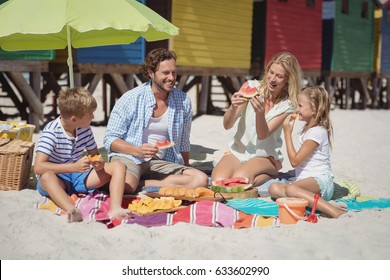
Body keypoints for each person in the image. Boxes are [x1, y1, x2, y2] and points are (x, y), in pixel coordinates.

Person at [103, 48, 208, 194]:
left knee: (200, 179)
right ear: (151, 73)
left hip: (160, 162)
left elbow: (184, 142)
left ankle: (139, 184)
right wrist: (137, 150)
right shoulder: (131, 98)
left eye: (174, 72)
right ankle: (133, 183)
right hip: (129, 156)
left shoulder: (183, 101)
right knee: (126, 186)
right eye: (165, 73)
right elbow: (110, 139)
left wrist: (186, 168)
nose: (171, 77)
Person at [34, 87, 131, 223]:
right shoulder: (51, 132)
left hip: (80, 177)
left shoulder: (85, 129)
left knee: (118, 166)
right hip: (58, 180)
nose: (93, 117)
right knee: (46, 177)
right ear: (74, 119)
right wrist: (73, 167)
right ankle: (72, 210)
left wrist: (98, 164)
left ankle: (115, 208)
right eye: (90, 114)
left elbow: (95, 155)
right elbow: (38, 167)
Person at [211, 52, 303, 187]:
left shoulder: (288, 105)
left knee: (239, 180)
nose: (272, 79)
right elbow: (227, 125)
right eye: (271, 72)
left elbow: (262, 135)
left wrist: (259, 114)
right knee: (217, 182)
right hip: (238, 151)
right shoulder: (251, 87)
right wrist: (232, 107)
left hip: (265, 156)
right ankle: (247, 171)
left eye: (279, 76)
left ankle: (271, 173)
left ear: (288, 79)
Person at [268, 86, 345, 218]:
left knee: (291, 189)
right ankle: (318, 202)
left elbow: (295, 161)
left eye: (300, 106)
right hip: (307, 182)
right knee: (273, 188)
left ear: (314, 109)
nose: (297, 110)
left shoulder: (316, 132)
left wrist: (287, 133)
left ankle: (333, 211)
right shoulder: (308, 130)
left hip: (321, 182)